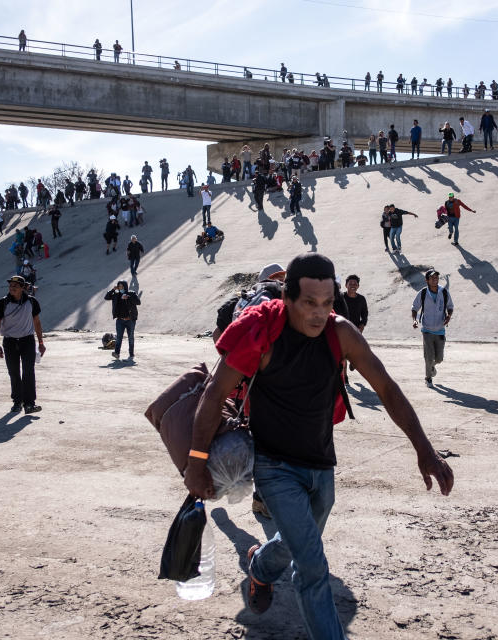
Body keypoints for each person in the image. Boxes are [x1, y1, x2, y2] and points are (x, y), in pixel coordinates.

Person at [184, 253, 454, 639]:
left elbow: (387, 388)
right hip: (274, 467)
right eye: (309, 303)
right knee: (311, 565)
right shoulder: (263, 333)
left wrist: (424, 449)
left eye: (327, 303)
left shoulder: (339, 331)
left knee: (295, 543)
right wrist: (196, 461)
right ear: (288, 299)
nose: (318, 313)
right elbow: (214, 394)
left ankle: (260, 567)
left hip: (321, 462)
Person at [0, 275, 44, 413]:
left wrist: (40, 342)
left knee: (28, 372)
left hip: (27, 341)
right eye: (10, 286)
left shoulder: (31, 302)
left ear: (23, 288)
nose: (12, 288)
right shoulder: (2, 303)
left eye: (15, 286)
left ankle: (29, 404)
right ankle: (17, 402)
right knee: (14, 372)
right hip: (9, 342)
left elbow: (37, 323)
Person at [411, 269, 454, 386]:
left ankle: (432, 367)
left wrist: (449, 315)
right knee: (428, 356)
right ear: (427, 280)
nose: (435, 279)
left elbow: (450, 306)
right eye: (432, 278)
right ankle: (428, 378)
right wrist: (415, 320)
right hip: (427, 330)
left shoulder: (444, 292)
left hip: (440, 330)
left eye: (436, 277)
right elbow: (414, 308)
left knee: (439, 358)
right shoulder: (423, 293)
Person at [104, 280, 140, 360]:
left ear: (125, 286)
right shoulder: (116, 295)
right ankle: (117, 353)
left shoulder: (131, 293)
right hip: (120, 320)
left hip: (130, 320)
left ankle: (131, 354)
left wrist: (128, 298)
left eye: (122, 286)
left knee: (130, 337)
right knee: (119, 337)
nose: (120, 288)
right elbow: (106, 297)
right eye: (119, 286)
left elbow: (138, 302)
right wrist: (113, 290)